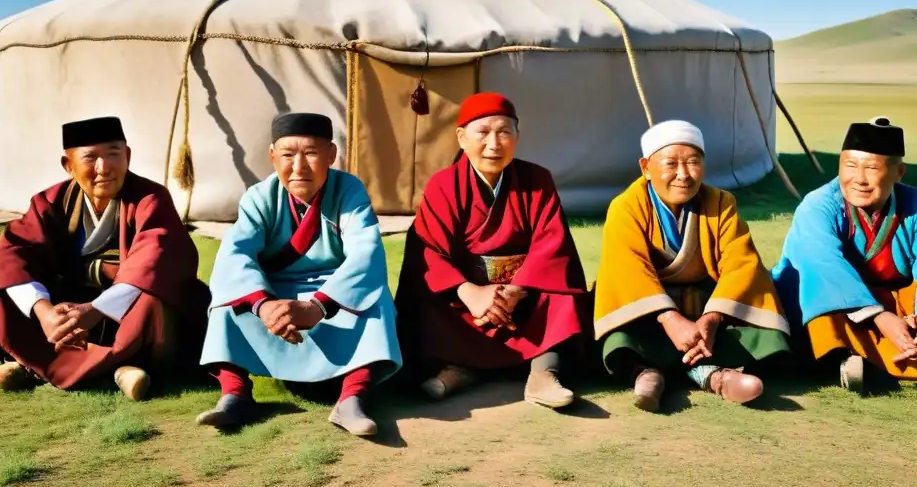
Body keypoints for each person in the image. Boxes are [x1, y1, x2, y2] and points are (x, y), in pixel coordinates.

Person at [0, 116, 208, 400]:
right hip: (66, 308)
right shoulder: (49, 202)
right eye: (90, 158)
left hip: (122, 310)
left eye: (113, 154)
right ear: (68, 165)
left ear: (127, 156)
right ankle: (112, 370)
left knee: (153, 299)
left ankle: (43, 367)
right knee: (2, 292)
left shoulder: (150, 198)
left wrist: (95, 311)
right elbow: (14, 253)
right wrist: (45, 313)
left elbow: (156, 259)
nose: (103, 168)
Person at [197, 112, 400, 437]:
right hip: (274, 294)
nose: (299, 166)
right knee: (226, 302)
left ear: (332, 155)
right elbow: (235, 256)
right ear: (272, 156)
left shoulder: (349, 191)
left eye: (311, 153)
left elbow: (366, 253)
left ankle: (351, 399)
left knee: (376, 302)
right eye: (288, 155)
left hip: (332, 291)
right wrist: (264, 306)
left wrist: (318, 306)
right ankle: (235, 394)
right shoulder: (259, 198)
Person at [393, 92, 589, 410]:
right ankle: (459, 368)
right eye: (482, 132)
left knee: (561, 294)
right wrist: (470, 293)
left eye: (504, 132)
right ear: (462, 138)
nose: (494, 144)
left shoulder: (538, 180)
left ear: (517, 136)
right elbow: (428, 253)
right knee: (427, 298)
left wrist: (515, 291)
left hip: (524, 297)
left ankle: (543, 373)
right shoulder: (443, 185)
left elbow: (551, 244)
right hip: (465, 301)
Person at [772, 116, 917, 393]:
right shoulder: (817, 206)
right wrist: (879, 317)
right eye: (850, 166)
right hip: (837, 302)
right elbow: (822, 263)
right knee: (820, 306)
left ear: (900, 173)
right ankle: (851, 360)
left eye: (872, 168)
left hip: (892, 303)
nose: (859, 179)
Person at [593, 120, 791, 411]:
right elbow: (627, 269)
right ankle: (657, 372)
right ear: (646, 167)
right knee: (620, 335)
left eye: (693, 162)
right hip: (651, 317)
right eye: (671, 163)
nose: (683, 175)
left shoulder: (722, 203)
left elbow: (741, 263)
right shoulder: (626, 207)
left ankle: (695, 372)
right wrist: (670, 320)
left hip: (706, 311)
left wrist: (710, 319)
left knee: (767, 333)